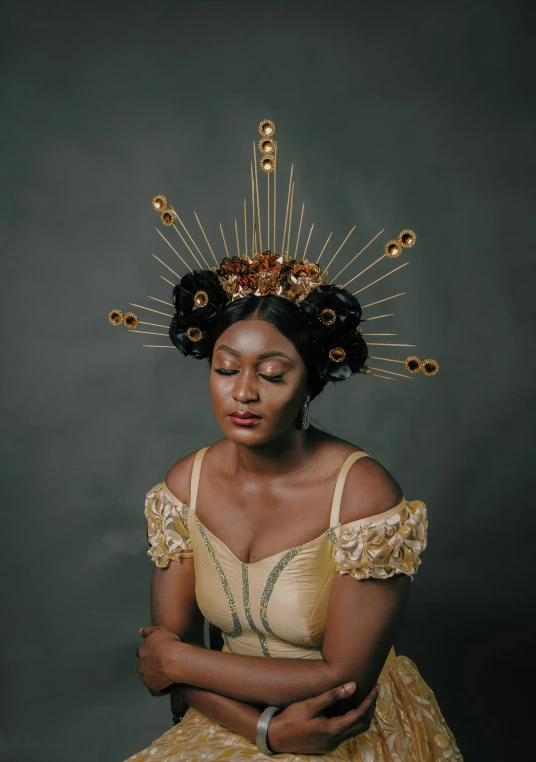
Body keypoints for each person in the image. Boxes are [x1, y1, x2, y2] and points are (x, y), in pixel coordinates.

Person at [110, 120, 462, 760]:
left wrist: (179, 660)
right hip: (237, 722)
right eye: (225, 369)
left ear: (312, 383)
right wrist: (263, 730)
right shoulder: (181, 488)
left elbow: (339, 682)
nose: (243, 392)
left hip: (349, 730)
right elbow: (168, 673)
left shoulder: (363, 492)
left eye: (272, 374)